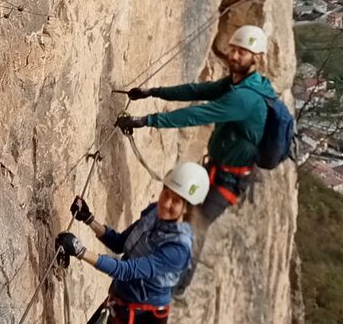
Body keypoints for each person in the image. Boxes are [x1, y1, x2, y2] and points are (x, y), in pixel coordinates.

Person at [115, 24, 275, 220]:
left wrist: (147, 120)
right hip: (214, 168)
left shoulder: (246, 98)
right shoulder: (238, 82)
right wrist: (152, 92)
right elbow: (196, 91)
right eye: (232, 49)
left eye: (242, 52)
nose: (234, 56)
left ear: (256, 58)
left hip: (228, 181)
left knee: (193, 227)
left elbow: (198, 114)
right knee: (168, 214)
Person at [56, 162, 209, 324]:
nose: (166, 203)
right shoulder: (154, 213)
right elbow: (120, 242)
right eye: (166, 194)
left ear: (187, 208)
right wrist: (89, 219)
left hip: (141, 320)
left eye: (176, 201)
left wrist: (79, 251)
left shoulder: (178, 250)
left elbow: (127, 270)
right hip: (119, 302)